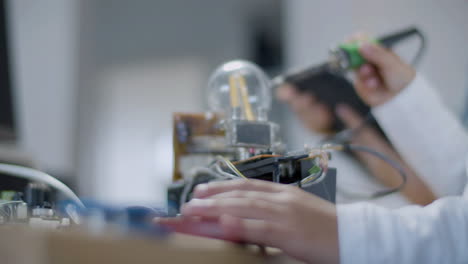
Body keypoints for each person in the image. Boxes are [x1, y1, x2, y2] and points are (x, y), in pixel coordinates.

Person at [157, 41, 468, 263]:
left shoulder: (360, 145)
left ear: (323, 99)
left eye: (299, 104)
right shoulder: (341, 150)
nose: (298, 114)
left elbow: (443, 214)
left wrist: (342, 232)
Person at [276, 35, 436, 208]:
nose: (301, 120)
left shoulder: (362, 138)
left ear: (316, 103)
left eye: (300, 112)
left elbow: (426, 200)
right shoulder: (337, 147)